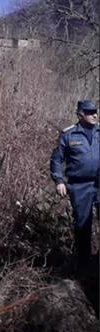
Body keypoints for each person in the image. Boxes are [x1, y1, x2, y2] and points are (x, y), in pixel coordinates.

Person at [50, 100, 99, 269]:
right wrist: (59, 180)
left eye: (96, 111)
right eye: (90, 112)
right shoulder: (69, 135)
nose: (95, 115)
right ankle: (85, 264)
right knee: (82, 224)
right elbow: (57, 160)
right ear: (80, 114)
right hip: (79, 186)